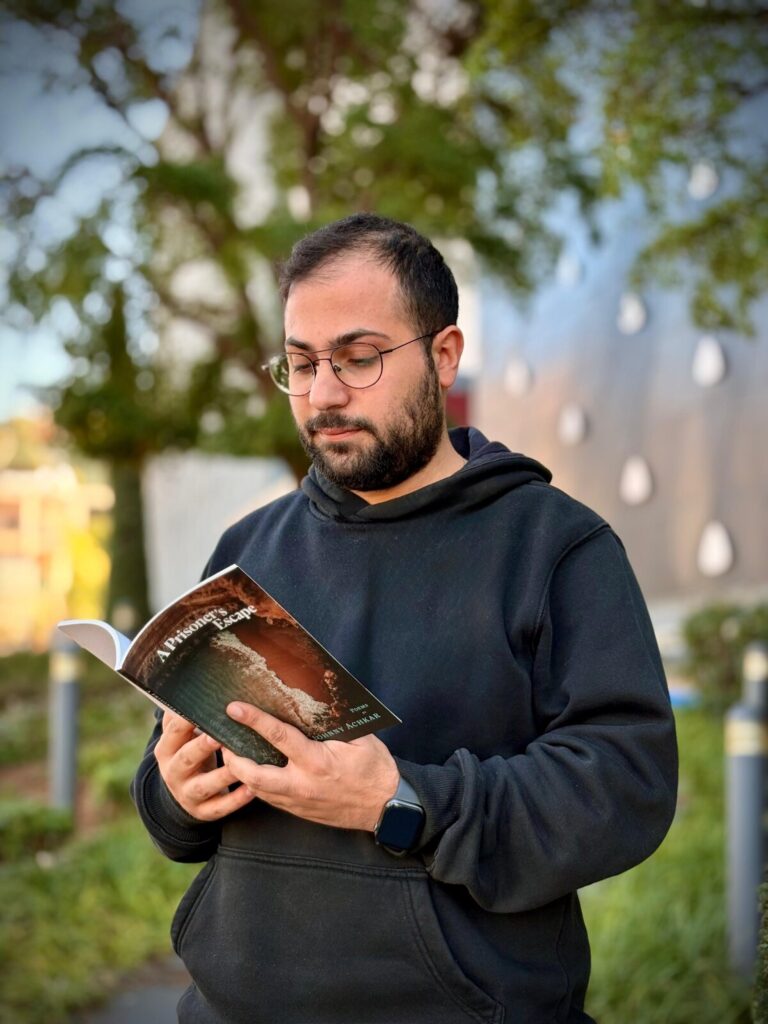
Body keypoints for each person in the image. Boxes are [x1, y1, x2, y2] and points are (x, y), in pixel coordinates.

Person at [132, 213, 678, 1024]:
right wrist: (176, 793)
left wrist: (404, 799)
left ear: (444, 354)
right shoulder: (247, 549)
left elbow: (623, 787)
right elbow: (171, 812)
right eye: (301, 363)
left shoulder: (556, 547)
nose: (323, 394)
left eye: (358, 358)